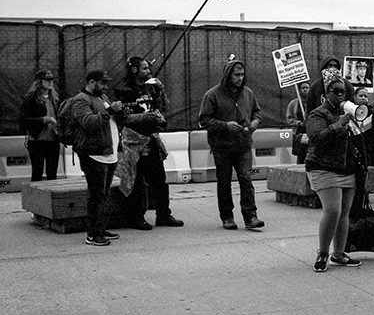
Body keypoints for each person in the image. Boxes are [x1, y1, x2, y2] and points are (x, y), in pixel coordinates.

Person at [113, 57, 184, 230]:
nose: (149, 72)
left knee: (159, 179)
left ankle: (163, 214)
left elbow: (164, 108)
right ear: (134, 70)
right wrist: (146, 117)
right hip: (133, 141)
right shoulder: (124, 90)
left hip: (151, 139)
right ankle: (136, 217)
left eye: (149, 69)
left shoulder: (151, 88)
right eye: (145, 69)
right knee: (136, 181)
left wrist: (161, 90)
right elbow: (123, 117)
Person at [305, 68, 363, 272]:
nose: (340, 94)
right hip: (323, 167)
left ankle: (338, 254)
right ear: (325, 94)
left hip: (346, 168)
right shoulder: (317, 113)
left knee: (344, 212)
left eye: (344, 91)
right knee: (333, 210)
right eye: (335, 91)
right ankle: (323, 253)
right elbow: (315, 137)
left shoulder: (346, 112)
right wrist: (338, 125)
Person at [198, 58, 265, 231]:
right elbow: (203, 120)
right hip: (222, 147)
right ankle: (227, 217)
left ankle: (251, 216)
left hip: (243, 145)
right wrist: (224, 126)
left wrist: (256, 122)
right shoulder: (212, 95)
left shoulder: (248, 93)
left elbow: (257, 112)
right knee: (224, 182)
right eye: (236, 74)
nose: (240, 78)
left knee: (246, 179)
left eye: (242, 74)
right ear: (228, 75)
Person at [73, 69, 124, 246]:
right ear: (92, 82)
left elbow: (111, 120)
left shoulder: (102, 98)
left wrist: (118, 111)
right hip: (93, 154)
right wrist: (110, 110)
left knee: (103, 195)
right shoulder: (81, 99)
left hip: (108, 154)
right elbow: (89, 123)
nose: (106, 86)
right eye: (102, 83)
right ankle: (92, 234)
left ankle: (100, 229)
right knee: (96, 195)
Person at [18, 70, 61, 181]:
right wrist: (43, 120)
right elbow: (23, 120)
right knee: (37, 172)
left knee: (52, 174)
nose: (50, 82)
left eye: (51, 80)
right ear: (39, 82)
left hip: (53, 140)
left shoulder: (54, 98)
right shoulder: (30, 98)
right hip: (37, 140)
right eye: (47, 80)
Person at [286, 81, 311, 164]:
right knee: (300, 157)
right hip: (299, 134)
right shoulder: (293, 104)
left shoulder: (312, 103)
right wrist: (298, 123)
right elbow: (289, 118)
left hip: (310, 133)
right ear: (299, 90)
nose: (305, 90)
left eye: (307, 88)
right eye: (303, 88)